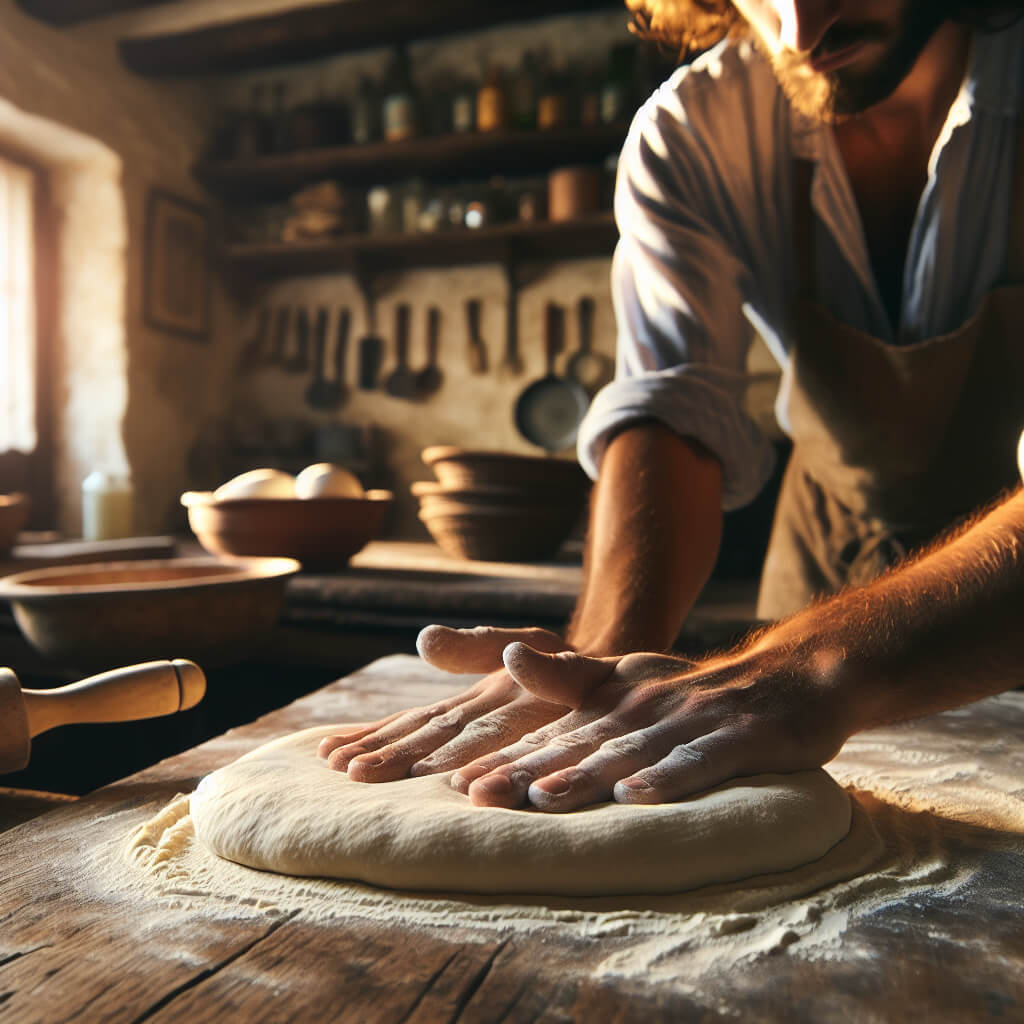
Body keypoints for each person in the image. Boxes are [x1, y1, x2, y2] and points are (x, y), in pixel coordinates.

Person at [320, 0, 1024, 812]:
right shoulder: (697, 128)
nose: (798, 29)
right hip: (836, 556)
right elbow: (673, 406)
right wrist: (592, 675)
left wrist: (817, 666)